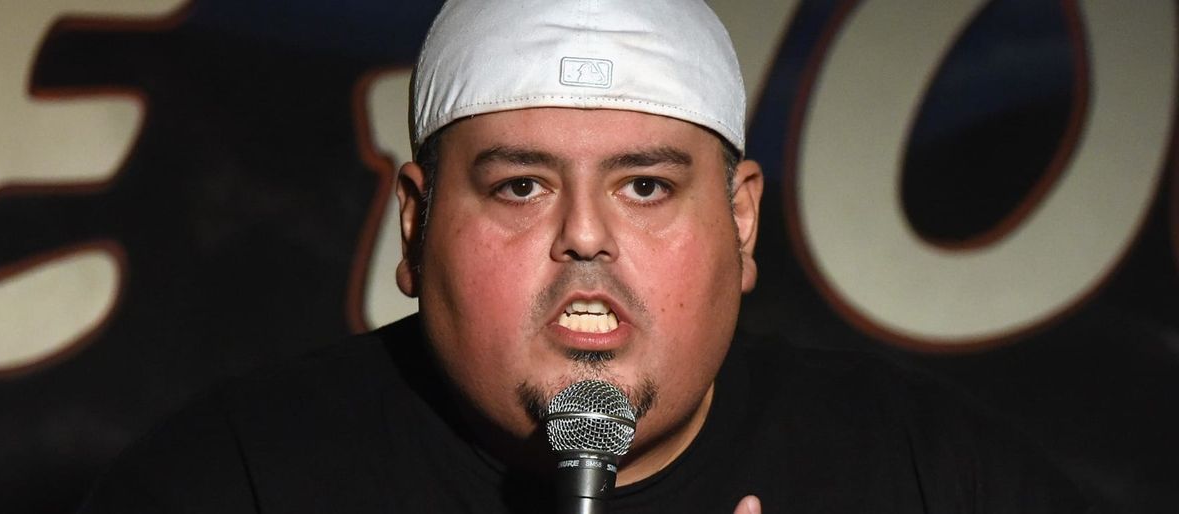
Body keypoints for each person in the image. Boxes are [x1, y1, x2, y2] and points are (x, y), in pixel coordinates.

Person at [80, 1, 1099, 512]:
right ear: (415, 226)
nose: (585, 235)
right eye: (520, 186)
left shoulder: (925, 474)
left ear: (742, 222)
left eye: (644, 186)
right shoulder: (238, 478)